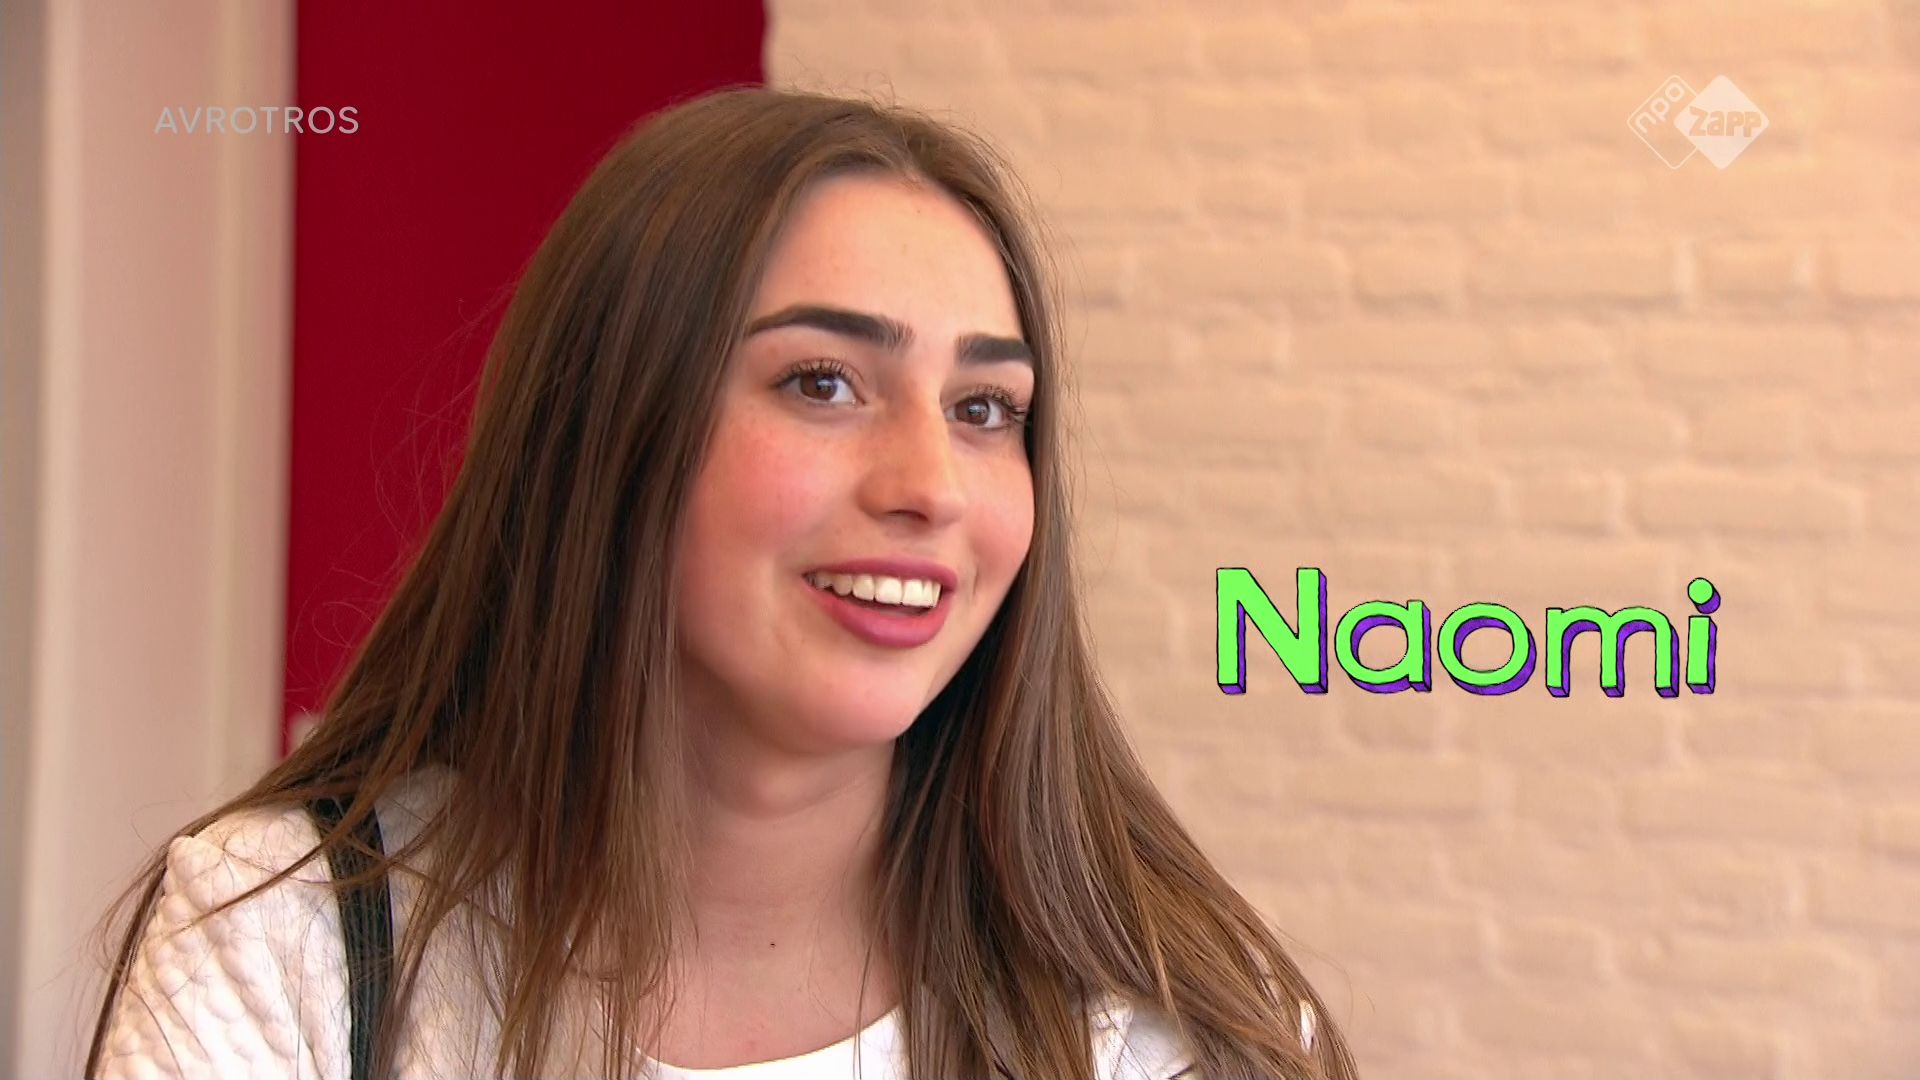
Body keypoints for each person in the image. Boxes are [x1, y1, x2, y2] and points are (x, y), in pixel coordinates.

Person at [83, 86, 1357, 1080]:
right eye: (822, 383)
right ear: (611, 427)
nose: (932, 485)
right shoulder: (284, 936)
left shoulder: (1172, 1027)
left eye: (984, 408)